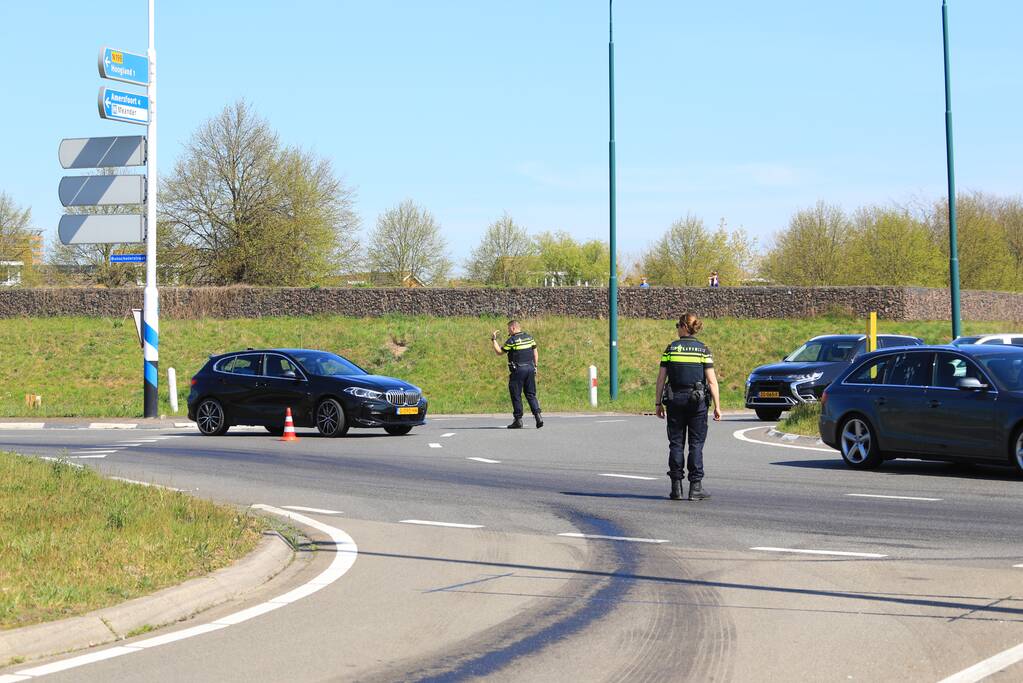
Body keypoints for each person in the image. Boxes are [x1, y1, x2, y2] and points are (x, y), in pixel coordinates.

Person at [655, 312, 722, 501]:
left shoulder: (671, 349)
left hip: (675, 400)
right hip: (697, 402)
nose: (676, 328)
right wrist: (717, 406)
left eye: (678, 325)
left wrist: (658, 403)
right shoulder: (703, 350)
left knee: (676, 444)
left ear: (685, 326)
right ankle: (695, 488)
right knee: (696, 445)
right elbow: (712, 381)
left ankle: (676, 488)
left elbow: (661, 379)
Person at [492, 320, 543, 429]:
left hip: (518, 370)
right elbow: (535, 352)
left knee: (516, 394)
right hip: (530, 368)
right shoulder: (529, 337)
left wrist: (494, 340)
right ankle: (538, 417)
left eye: (508, 329)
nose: (508, 331)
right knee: (531, 394)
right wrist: (536, 366)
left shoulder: (512, 340)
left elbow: (499, 352)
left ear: (513, 328)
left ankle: (518, 420)